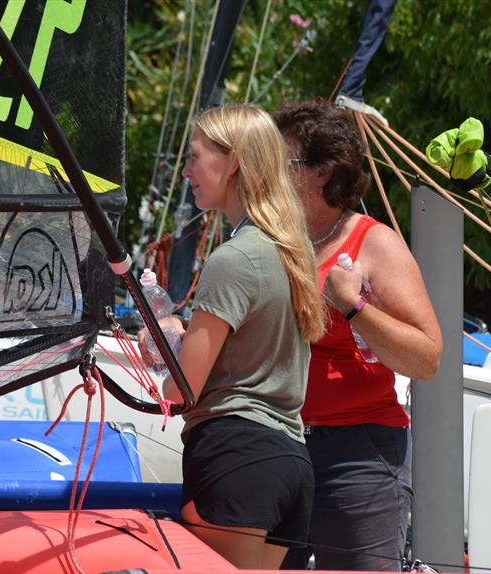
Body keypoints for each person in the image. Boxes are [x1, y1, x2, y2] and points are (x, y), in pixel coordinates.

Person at [141, 104, 326, 569]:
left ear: (235, 160)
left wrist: (161, 352)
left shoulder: (234, 258)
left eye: (195, 157)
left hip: (236, 457)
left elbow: (181, 392)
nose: (186, 172)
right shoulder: (292, 253)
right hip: (291, 464)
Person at [273, 100, 443, 571]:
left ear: (322, 172)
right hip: (282, 445)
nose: (268, 171)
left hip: (358, 456)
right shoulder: (277, 240)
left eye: (281, 161)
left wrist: (354, 307)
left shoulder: (374, 242)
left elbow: (426, 358)